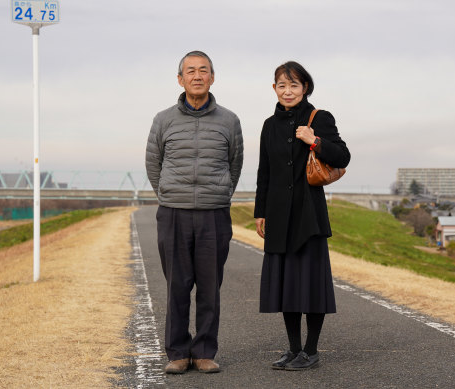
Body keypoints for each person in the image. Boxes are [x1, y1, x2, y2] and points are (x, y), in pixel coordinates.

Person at [145, 50, 244, 374]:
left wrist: (220, 194)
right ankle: (177, 353)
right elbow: (153, 163)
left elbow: (235, 163)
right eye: (191, 71)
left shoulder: (229, 120)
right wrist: (168, 194)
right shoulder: (163, 119)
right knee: (176, 285)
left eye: (203, 70)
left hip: (213, 215)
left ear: (212, 78)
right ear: (180, 79)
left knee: (209, 287)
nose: (197, 76)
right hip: (173, 213)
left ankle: (204, 352)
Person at [254, 61, 350, 370]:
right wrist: (260, 212)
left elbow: (343, 156)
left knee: (310, 284)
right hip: (279, 215)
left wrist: (315, 141)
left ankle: (311, 350)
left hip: (309, 215)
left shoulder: (319, 118)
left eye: (293, 85)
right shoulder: (269, 125)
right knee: (286, 285)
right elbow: (264, 173)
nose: (287, 91)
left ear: (304, 87)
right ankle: (293, 349)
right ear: (274, 89)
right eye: (281, 85)